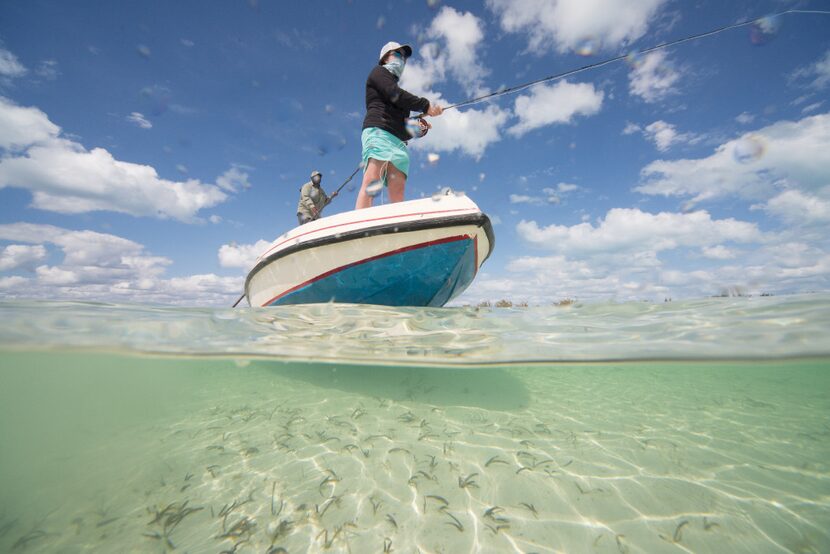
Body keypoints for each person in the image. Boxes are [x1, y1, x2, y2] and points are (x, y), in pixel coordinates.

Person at [355, 41, 444, 209]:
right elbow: (395, 94)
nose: (402, 59)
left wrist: (419, 128)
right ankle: (358, 226)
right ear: (384, 58)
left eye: (404, 57)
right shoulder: (378, 73)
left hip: (398, 143)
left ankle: (397, 228)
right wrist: (426, 106)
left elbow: (403, 129)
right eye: (397, 54)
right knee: (372, 180)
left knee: (398, 190)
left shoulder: (396, 89)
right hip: (378, 132)